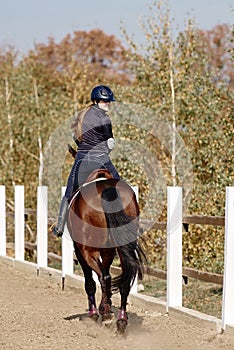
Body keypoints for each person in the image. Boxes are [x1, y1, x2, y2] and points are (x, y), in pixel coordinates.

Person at [51, 85, 120, 237]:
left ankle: (60, 227)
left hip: (82, 159)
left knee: (70, 192)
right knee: (120, 186)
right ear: (96, 101)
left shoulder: (81, 116)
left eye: (109, 101)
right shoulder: (105, 118)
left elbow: (74, 137)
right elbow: (110, 143)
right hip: (102, 159)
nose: (108, 104)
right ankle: (125, 223)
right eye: (104, 101)